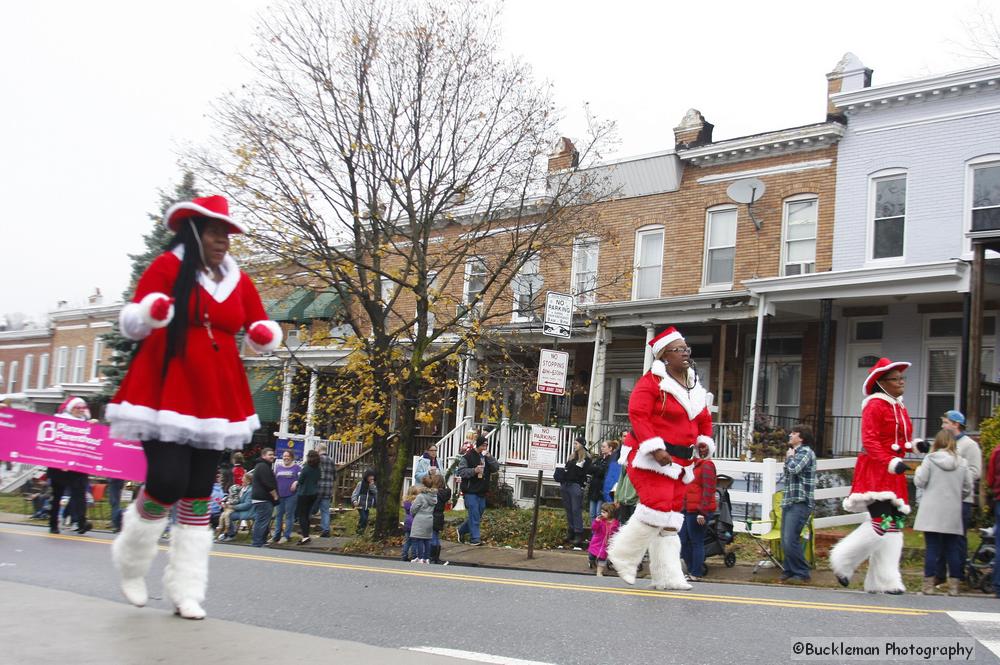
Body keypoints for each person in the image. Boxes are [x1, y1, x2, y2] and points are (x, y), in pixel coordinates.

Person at [107, 195, 282, 619]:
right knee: (166, 482)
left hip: (216, 392)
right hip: (166, 388)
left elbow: (258, 326)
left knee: (199, 493)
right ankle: (131, 562)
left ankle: (186, 588)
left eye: (226, 234)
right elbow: (132, 323)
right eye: (214, 232)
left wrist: (261, 334)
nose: (223, 240)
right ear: (194, 232)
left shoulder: (238, 280)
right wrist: (151, 312)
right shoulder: (168, 267)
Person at [607, 327, 714, 591]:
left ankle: (668, 575)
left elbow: (703, 418)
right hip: (649, 459)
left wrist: (703, 440)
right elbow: (638, 415)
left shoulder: (693, 384)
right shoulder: (651, 382)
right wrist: (654, 448)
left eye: (686, 348)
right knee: (657, 507)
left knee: (669, 520)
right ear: (665, 356)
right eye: (679, 349)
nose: (685, 353)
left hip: (680, 462)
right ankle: (623, 556)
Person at [830, 357, 915, 594]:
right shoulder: (874, 405)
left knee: (895, 524)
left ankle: (884, 580)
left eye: (901, 378)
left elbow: (901, 440)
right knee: (881, 522)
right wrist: (890, 460)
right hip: (877, 468)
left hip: (893, 469)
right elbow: (870, 440)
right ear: (881, 383)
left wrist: (916, 446)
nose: (901, 382)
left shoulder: (898, 405)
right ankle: (843, 563)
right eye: (895, 379)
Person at [914, 429, 972, 595]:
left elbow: (920, 481)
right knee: (952, 547)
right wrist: (956, 496)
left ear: (937, 442)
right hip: (952, 509)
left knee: (932, 547)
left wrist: (918, 470)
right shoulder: (962, 462)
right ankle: (954, 586)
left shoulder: (930, 459)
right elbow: (967, 487)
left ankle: (928, 586)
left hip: (931, 509)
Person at [935, 409, 981, 587]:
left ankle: (958, 576)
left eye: (945, 422)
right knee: (938, 537)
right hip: (942, 498)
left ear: (955, 424)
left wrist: (955, 479)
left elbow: (975, 472)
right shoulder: (944, 443)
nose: (942, 426)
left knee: (957, 539)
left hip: (962, 499)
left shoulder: (969, 445)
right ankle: (939, 575)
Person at [47, 397, 93, 535]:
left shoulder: (86, 424)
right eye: (77, 407)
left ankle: (81, 522)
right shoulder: (60, 421)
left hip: (78, 468)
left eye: (82, 408)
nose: (80, 410)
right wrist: (61, 461)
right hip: (59, 467)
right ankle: (53, 524)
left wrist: (94, 427)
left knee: (79, 495)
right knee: (57, 496)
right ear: (70, 408)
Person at [780, 425, 817, 583]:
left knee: (790, 539)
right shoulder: (796, 453)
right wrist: (790, 458)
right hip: (790, 500)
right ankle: (789, 570)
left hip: (800, 501)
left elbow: (794, 469)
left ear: (801, 438)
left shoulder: (805, 452)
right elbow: (787, 473)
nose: (790, 434)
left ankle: (802, 571)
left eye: (794, 433)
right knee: (786, 539)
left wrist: (789, 458)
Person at [680, 438, 717, 582]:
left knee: (696, 541)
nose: (702, 450)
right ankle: (691, 569)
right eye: (700, 447)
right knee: (683, 540)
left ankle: (696, 572)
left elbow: (709, 489)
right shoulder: (693, 465)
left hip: (698, 510)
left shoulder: (707, 465)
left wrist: (703, 512)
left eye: (704, 448)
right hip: (686, 508)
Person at [456, 435, 498, 546]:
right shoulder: (468, 457)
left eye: (486, 445)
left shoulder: (486, 457)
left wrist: (490, 457)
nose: (485, 448)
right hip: (470, 491)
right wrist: (474, 470)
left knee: (477, 515)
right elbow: (461, 472)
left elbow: (496, 468)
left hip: (482, 491)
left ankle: (461, 530)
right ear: (478, 445)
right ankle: (475, 539)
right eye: (483, 445)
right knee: (474, 514)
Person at [559, 436, 592, 548]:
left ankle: (578, 533)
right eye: (574, 443)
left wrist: (582, 485)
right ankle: (571, 531)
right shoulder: (572, 457)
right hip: (566, 484)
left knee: (576, 509)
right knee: (568, 510)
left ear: (582, 445)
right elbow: (566, 469)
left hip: (576, 485)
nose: (574, 445)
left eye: (576, 443)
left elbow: (586, 473)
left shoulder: (586, 458)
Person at [272, 450, 301, 545]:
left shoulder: (297, 468)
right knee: (278, 515)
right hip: (279, 495)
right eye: (284, 456)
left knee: (289, 516)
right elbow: (274, 480)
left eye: (288, 456)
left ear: (292, 457)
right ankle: (276, 536)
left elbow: (302, 479)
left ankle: (286, 536)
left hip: (291, 495)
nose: (286, 458)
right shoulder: (278, 468)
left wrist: (296, 482)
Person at [251, 448, 279, 547]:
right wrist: (275, 495)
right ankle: (257, 542)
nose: (272, 456)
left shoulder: (262, 466)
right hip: (263, 498)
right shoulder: (263, 466)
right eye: (269, 454)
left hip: (260, 498)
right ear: (263, 456)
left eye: (273, 454)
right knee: (262, 521)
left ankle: (261, 541)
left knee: (262, 520)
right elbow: (267, 483)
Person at [408, 475, 438, 563]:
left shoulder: (421, 496)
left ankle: (420, 557)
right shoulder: (434, 496)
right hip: (429, 518)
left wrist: (413, 514)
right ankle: (426, 558)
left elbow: (413, 508)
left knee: (419, 538)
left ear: (423, 484)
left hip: (420, 518)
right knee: (427, 539)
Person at [217, 472, 253, 542]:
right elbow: (235, 498)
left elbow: (247, 505)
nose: (242, 479)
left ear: (248, 481)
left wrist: (233, 507)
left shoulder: (250, 491)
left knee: (229, 515)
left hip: (246, 511)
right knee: (223, 513)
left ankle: (231, 534)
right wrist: (226, 501)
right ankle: (225, 533)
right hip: (239, 509)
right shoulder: (242, 488)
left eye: (243, 478)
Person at [295, 450, 321, 545]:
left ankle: (305, 536)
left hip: (304, 493)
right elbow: (318, 479)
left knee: (302, 515)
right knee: (307, 515)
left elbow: (300, 480)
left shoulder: (306, 468)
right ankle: (306, 534)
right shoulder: (318, 468)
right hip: (314, 494)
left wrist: (296, 483)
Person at [588, 502, 620, 577]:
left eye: (604, 512)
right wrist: (596, 522)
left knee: (602, 559)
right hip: (596, 543)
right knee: (592, 556)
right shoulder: (600, 521)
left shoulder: (615, 523)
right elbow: (594, 528)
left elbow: (616, 532)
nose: (602, 513)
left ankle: (599, 572)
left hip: (606, 545)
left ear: (610, 513)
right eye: (601, 512)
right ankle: (591, 561)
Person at [314, 442, 337, 538]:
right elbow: (335, 476)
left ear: (318, 449)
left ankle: (304, 527)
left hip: (317, 488)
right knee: (325, 511)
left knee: (310, 509)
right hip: (327, 489)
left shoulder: (316, 460)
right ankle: (326, 529)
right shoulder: (331, 460)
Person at [587, 440, 613, 521]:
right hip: (594, 489)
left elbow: (603, 472)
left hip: (602, 490)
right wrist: (597, 469)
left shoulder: (611, 460)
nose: (602, 448)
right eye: (601, 446)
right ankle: (593, 533)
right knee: (592, 514)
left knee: (599, 513)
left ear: (610, 448)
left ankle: (599, 533)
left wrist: (596, 469)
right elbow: (589, 469)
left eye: (604, 447)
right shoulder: (599, 458)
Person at [429, 470, 452, 564]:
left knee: (432, 537)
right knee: (436, 536)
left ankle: (432, 556)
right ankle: (436, 557)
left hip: (432, 516)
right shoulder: (444, 494)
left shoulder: (434, 494)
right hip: (440, 516)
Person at [400, 483, 423, 561]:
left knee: (407, 541)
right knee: (414, 541)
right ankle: (414, 556)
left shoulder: (406, 502)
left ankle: (404, 555)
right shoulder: (417, 502)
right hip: (414, 523)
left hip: (407, 523)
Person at [352, 469, 378, 535]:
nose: (371, 478)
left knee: (365, 520)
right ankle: (359, 531)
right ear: (367, 476)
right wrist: (354, 501)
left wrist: (371, 486)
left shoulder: (374, 486)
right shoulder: (360, 484)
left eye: (373, 476)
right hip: (360, 505)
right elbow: (355, 493)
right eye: (370, 476)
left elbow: (375, 493)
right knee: (363, 518)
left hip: (368, 506)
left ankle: (361, 532)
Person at [601, 439, 622, 504]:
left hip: (614, 491)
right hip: (609, 490)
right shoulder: (613, 457)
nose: (601, 448)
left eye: (604, 447)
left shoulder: (614, 457)